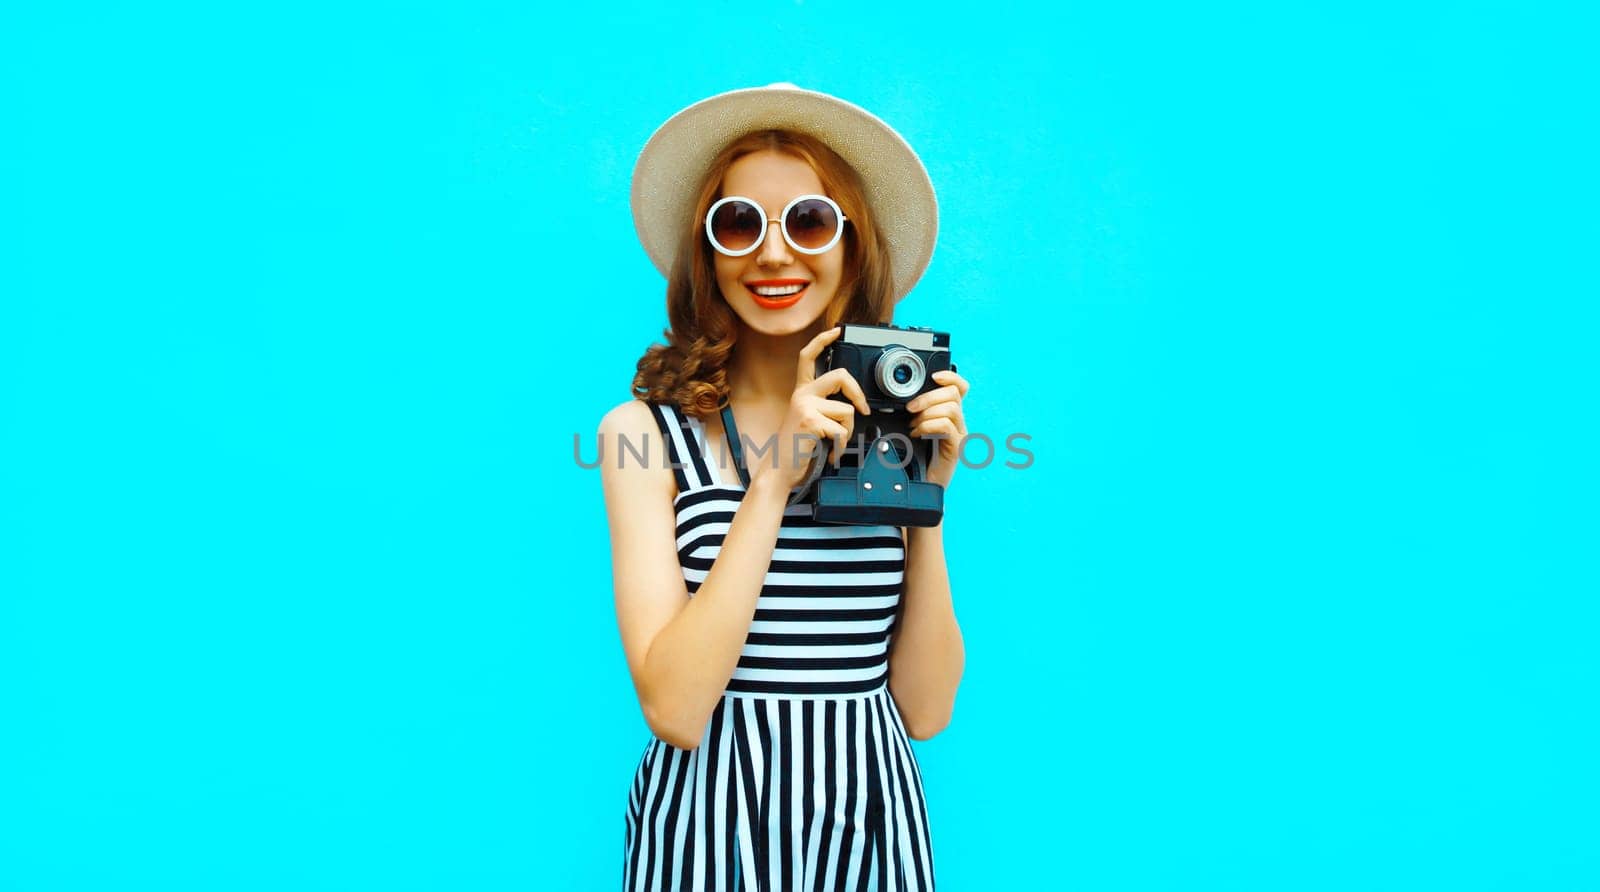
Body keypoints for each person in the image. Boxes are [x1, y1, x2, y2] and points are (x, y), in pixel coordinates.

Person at [599, 83, 969, 891]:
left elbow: (927, 711)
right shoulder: (642, 434)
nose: (773, 255)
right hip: (707, 829)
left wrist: (928, 506)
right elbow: (676, 709)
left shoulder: (891, 431)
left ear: (851, 244)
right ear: (708, 252)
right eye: (740, 224)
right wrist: (771, 483)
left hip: (869, 827)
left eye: (807, 221)